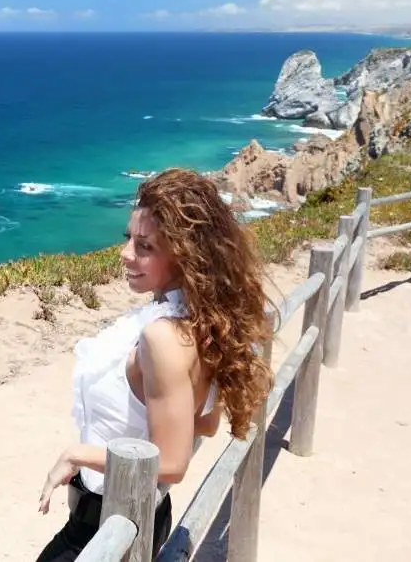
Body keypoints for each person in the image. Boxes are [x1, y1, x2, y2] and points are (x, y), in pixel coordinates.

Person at [35, 168, 274, 561]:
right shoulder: (201, 322)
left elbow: (172, 463)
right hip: (143, 513)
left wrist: (78, 454)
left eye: (145, 246)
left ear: (183, 255)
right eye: (128, 238)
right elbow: (206, 422)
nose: (126, 253)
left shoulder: (163, 337)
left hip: (109, 521)